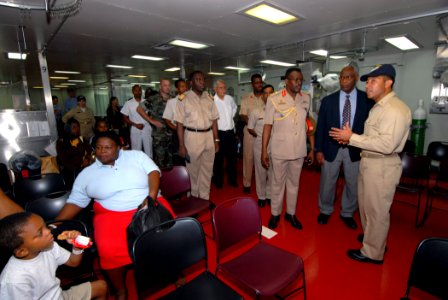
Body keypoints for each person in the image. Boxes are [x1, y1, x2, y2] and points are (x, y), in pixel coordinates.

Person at [56, 131, 173, 299]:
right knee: (108, 248)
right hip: (112, 214)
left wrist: (151, 197)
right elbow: (75, 201)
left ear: (119, 148)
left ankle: (175, 268)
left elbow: (154, 172)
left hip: (149, 205)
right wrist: (56, 223)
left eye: (108, 147)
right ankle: (120, 289)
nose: (102, 151)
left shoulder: (135, 156)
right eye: (98, 148)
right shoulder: (87, 174)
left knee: (169, 236)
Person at [329, 64, 411, 264]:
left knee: (377, 211)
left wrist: (353, 138)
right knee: (366, 208)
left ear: (388, 83)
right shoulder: (379, 107)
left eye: (374, 81)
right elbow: (372, 137)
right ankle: (373, 239)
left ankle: (373, 253)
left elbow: (387, 144)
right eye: (367, 81)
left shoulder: (395, 110)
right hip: (370, 163)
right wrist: (349, 139)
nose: (368, 85)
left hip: (382, 166)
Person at [315, 65, 374, 229]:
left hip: (355, 149)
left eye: (348, 77)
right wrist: (318, 150)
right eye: (342, 77)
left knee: (353, 182)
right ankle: (325, 210)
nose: (344, 80)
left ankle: (347, 212)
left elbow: (370, 127)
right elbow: (320, 127)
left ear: (356, 78)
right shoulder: (328, 100)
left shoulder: (366, 100)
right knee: (327, 181)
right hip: (330, 148)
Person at [0, 212, 107, 299]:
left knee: (101, 287)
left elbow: (73, 262)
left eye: (45, 226)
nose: (48, 231)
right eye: (39, 233)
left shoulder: (49, 247)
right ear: (22, 252)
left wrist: (77, 246)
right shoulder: (15, 280)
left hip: (58, 296)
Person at [262, 67, 315, 230]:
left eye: (300, 79)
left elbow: (309, 124)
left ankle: (290, 213)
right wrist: (264, 150)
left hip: (299, 149)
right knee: (277, 183)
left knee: (294, 183)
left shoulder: (306, 98)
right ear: (286, 81)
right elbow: (267, 126)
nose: (299, 82)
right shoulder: (274, 99)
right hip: (279, 149)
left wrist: (312, 148)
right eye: (295, 79)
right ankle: (275, 214)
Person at [174, 71, 219, 201]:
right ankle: (194, 200)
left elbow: (214, 120)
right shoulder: (183, 98)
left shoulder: (209, 98)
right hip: (192, 136)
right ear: (191, 82)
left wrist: (216, 140)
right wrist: (181, 145)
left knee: (207, 171)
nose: (201, 82)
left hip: (208, 136)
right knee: (193, 172)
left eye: (202, 79)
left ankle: (204, 199)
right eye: (198, 79)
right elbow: (179, 124)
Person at [248, 84, 274, 207]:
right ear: (262, 96)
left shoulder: (280, 112)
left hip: (276, 145)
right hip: (260, 145)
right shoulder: (255, 112)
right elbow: (250, 128)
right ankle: (261, 196)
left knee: (273, 172)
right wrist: (260, 135)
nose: (268, 95)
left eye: (270, 93)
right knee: (260, 172)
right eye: (265, 93)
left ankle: (269, 195)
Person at [138, 79, 173, 168]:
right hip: (159, 134)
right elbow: (139, 109)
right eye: (165, 85)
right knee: (160, 161)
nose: (167, 87)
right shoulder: (153, 99)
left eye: (169, 85)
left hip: (172, 134)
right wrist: (151, 120)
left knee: (171, 161)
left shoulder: (173, 99)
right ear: (160, 87)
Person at [240, 74, 264, 194]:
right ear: (252, 84)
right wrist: (252, 124)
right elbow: (243, 115)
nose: (259, 84)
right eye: (256, 82)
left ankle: (264, 182)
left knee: (262, 158)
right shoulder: (246, 98)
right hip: (249, 132)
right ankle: (247, 183)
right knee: (248, 158)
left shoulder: (267, 98)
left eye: (260, 82)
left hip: (263, 133)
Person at [212, 79, 238, 188]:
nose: (224, 90)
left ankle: (232, 180)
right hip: (219, 134)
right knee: (219, 159)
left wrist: (230, 117)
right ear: (215, 89)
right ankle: (218, 181)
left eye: (224, 87)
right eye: (221, 87)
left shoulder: (229, 98)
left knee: (232, 158)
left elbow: (234, 108)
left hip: (231, 133)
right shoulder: (212, 101)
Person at [57, 118, 92, 189]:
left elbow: (90, 151)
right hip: (70, 171)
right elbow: (63, 160)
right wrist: (78, 167)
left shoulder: (81, 139)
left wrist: (87, 159)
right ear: (68, 128)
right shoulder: (62, 141)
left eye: (78, 127)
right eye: (74, 127)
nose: (77, 129)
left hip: (83, 167)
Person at [120, 85, 153, 158]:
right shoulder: (128, 103)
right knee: (136, 151)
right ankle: (136, 168)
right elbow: (124, 117)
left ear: (141, 91)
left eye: (139, 90)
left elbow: (151, 115)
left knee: (149, 150)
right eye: (136, 90)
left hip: (146, 127)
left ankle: (150, 168)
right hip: (135, 128)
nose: (138, 92)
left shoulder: (146, 102)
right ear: (133, 91)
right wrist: (135, 125)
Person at [163, 79, 188, 166]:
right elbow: (167, 120)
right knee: (179, 159)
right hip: (177, 134)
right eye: (182, 86)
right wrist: (178, 129)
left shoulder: (192, 101)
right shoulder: (171, 102)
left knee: (191, 159)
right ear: (177, 88)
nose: (184, 88)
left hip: (190, 133)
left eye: (185, 86)